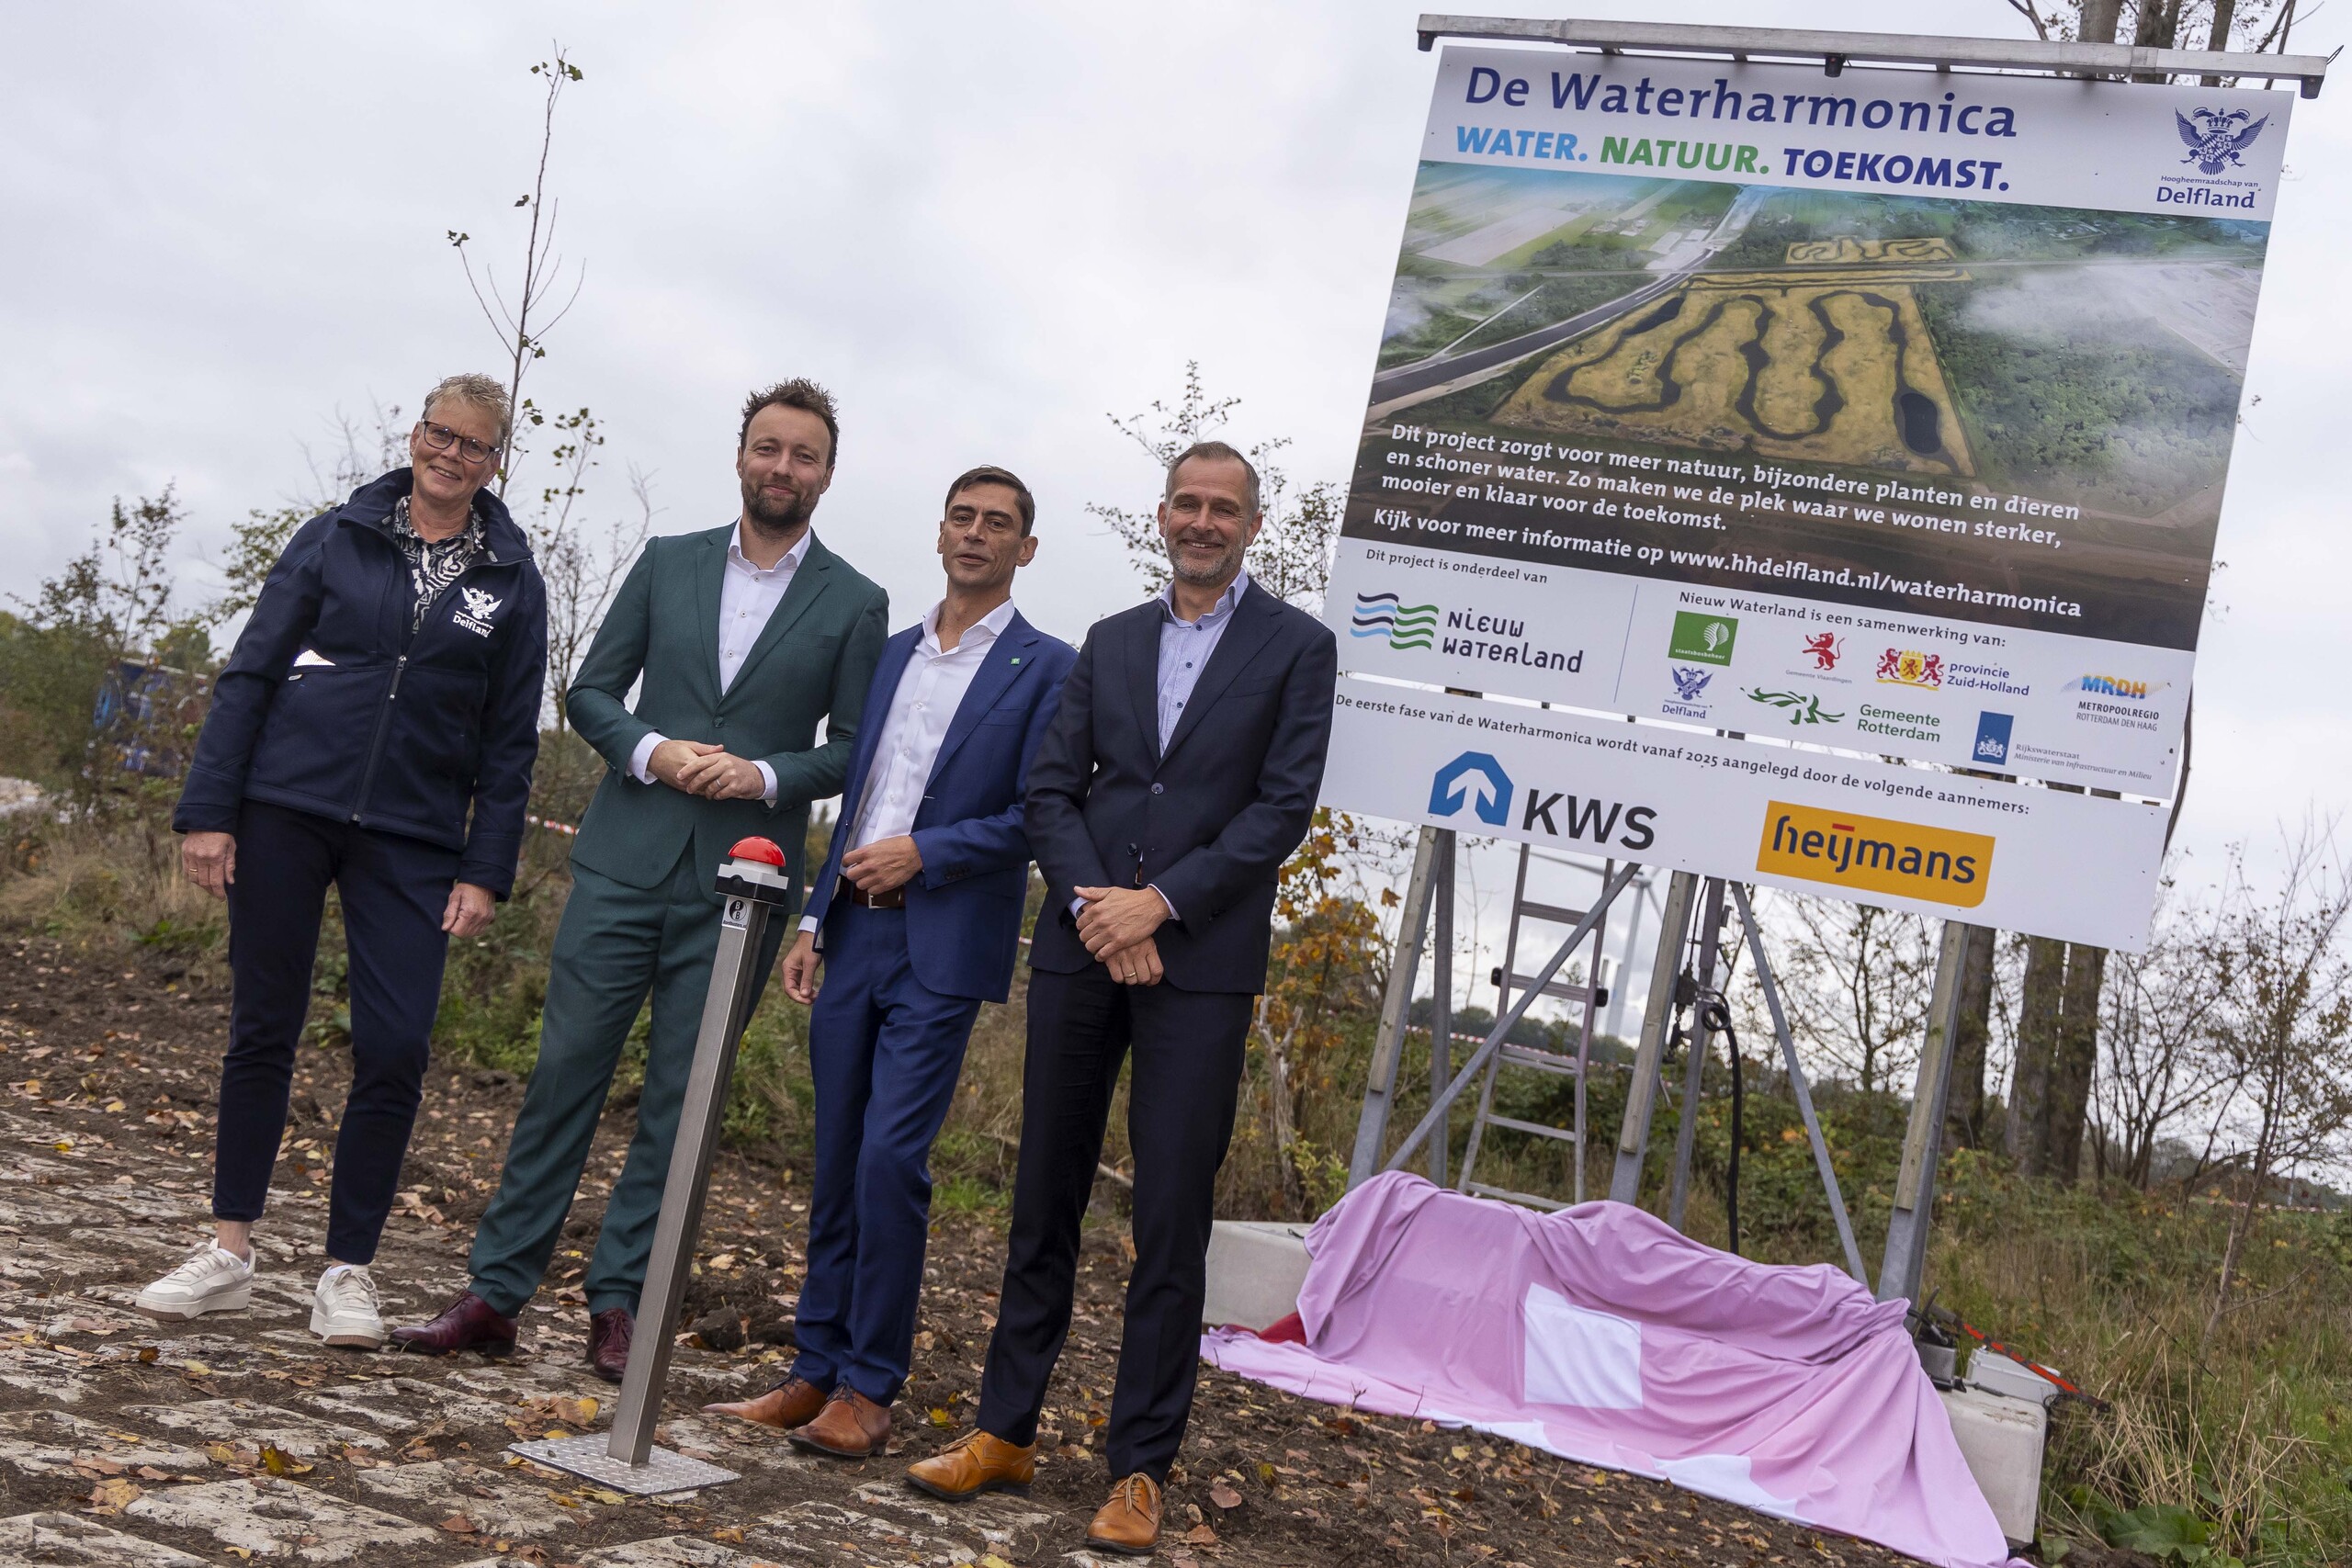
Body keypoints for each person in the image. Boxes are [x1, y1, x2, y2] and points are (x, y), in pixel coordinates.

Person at [393, 380, 888, 1379]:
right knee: (562, 1078)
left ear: (826, 475)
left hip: (743, 890)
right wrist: (653, 750)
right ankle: (496, 1292)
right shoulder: (668, 564)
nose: (781, 467)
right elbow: (588, 689)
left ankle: (619, 1304)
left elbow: (855, 750)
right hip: (623, 863)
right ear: (741, 455)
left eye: (802, 455)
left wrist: (765, 775)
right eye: (767, 447)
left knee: (681, 1100)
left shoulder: (856, 603)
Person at [905, 441, 1338, 1554]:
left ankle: (1139, 1470)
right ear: (1163, 515)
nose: (1201, 521)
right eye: (1186, 504)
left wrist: (1161, 906)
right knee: (1040, 1199)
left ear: (1249, 524)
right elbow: (1051, 789)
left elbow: (1279, 810)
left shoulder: (1297, 649)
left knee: (1167, 1225)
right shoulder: (1110, 642)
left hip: (1198, 963)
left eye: (1222, 508)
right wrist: (1103, 907)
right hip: (1080, 949)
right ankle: (1004, 1430)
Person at [141, 374, 548, 1349]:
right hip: (287, 806)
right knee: (263, 1025)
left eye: (474, 446)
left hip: (412, 839)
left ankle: (347, 1270)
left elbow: (509, 744)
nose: (451, 456)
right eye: (438, 435)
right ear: (414, 434)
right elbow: (251, 670)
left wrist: (485, 868)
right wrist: (210, 811)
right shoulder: (336, 534)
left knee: (397, 1045)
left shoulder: (512, 580)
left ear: (497, 462)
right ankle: (230, 1249)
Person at [702, 465, 1075, 1458]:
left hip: (944, 944)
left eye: (999, 524)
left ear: (1025, 550)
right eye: (962, 516)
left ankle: (871, 1388)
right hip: (853, 932)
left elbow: (1040, 813)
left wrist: (932, 854)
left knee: (889, 1162)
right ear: (940, 531)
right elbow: (860, 791)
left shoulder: (1047, 667)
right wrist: (818, 915)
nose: (977, 534)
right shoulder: (893, 652)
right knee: (833, 1160)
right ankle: (813, 1369)